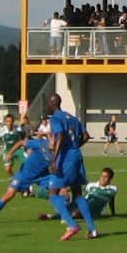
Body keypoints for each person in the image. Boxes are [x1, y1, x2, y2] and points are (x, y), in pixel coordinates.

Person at [45, 94, 98, 240]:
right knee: (77, 193)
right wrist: (74, 148)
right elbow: (86, 136)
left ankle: (72, 225)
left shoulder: (55, 118)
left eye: (48, 103)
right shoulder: (72, 117)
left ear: (53, 103)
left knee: (53, 192)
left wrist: (55, 160)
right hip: (77, 156)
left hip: (66, 158)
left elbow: (60, 137)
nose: (47, 106)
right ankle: (92, 230)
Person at [0, 136, 53, 225]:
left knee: (61, 192)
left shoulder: (62, 151)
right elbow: (21, 142)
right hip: (25, 174)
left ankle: (65, 216)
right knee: (9, 194)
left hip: (43, 175)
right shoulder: (41, 143)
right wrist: (10, 153)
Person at [39, 167, 118, 222]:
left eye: (105, 177)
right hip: (84, 203)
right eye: (101, 176)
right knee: (70, 207)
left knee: (76, 212)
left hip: (94, 210)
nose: (102, 178)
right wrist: (63, 189)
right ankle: (51, 216)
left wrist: (113, 213)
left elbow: (111, 199)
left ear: (110, 178)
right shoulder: (91, 185)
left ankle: (69, 219)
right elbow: (80, 190)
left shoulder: (113, 189)